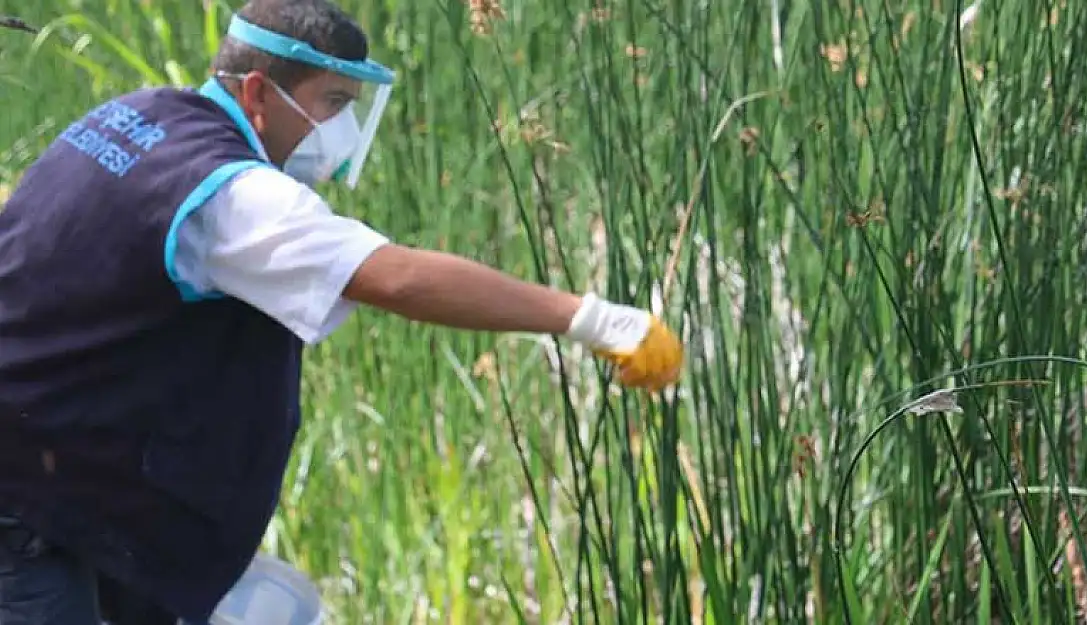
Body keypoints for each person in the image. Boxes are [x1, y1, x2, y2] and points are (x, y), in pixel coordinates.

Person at [0, 0, 684, 622]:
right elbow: (398, 277)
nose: (344, 128)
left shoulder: (141, 114)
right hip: (28, 505)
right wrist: (590, 318)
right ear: (258, 93)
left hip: (67, 483)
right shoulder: (233, 195)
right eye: (331, 101)